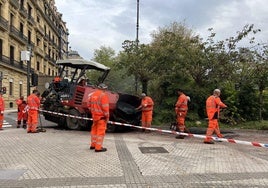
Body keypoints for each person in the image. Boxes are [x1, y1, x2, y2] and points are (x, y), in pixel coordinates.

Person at [88, 83, 109, 152]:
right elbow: (105, 108)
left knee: (94, 131)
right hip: (101, 118)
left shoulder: (92, 95)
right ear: (103, 88)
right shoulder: (103, 96)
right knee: (100, 133)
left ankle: (93, 145)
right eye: (105, 89)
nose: (105, 90)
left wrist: (93, 112)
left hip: (94, 117)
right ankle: (98, 147)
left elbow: (89, 105)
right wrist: (107, 117)